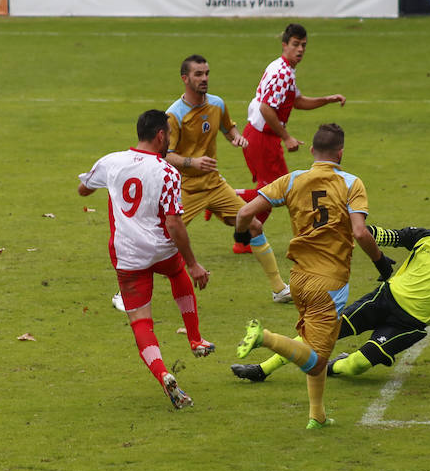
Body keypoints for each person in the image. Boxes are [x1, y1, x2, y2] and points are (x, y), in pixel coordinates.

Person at [231, 206, 430, 383]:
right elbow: (387, 235)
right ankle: (262, 370)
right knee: (321, 332)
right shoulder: (424, 237)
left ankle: (330, 366)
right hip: (382, 300)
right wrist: (358, 229)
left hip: (408, 325)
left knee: (355, 366)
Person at [233, 123, 395, 430]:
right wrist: (382, 263)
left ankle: (317, 415)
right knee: (318, 359)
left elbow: (243, 214)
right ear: (341, 153)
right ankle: (264, 337)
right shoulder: (351, 183)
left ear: (312, 152)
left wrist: (242, 236)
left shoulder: (292, 179)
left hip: (299, 279)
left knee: (315, 346)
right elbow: (360, 232)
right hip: (330, 282)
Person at [116, 54, 291, 307]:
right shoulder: (173, 116)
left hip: (214, 184)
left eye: (207, 73)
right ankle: (126, 292)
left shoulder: (217, 104)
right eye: (198, 74)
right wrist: (193, 163)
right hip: (185, 187)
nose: (204, 78)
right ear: (185, 79)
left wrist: (236, 138)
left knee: (254, 225)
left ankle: (278, 289)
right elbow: (165, 154)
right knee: (159, 238)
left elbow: (229, 128)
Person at [78, 110, 213, 410]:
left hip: (128, 256)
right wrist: (193, 263)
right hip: (161, 250)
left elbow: (83, 189)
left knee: (141, 321)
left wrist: (103, 185)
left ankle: (163, 373)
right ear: (161, 135)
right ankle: (195, 339)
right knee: (177, 272)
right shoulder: (167, 171)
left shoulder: (111, 162)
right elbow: (175, 223)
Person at [233, 23, 347, 250]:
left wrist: (327, 99)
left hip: (258, 136)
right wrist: (287, 137)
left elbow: (297, 101)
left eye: (303, 45)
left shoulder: (284, 69)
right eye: (295, 44)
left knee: (275, 189)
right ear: (284, 45)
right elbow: (267, 108)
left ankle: (244, 241)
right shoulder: (282, 73)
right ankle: (227, 198)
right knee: (280, 190)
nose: (300, 49)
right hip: (262, 138)